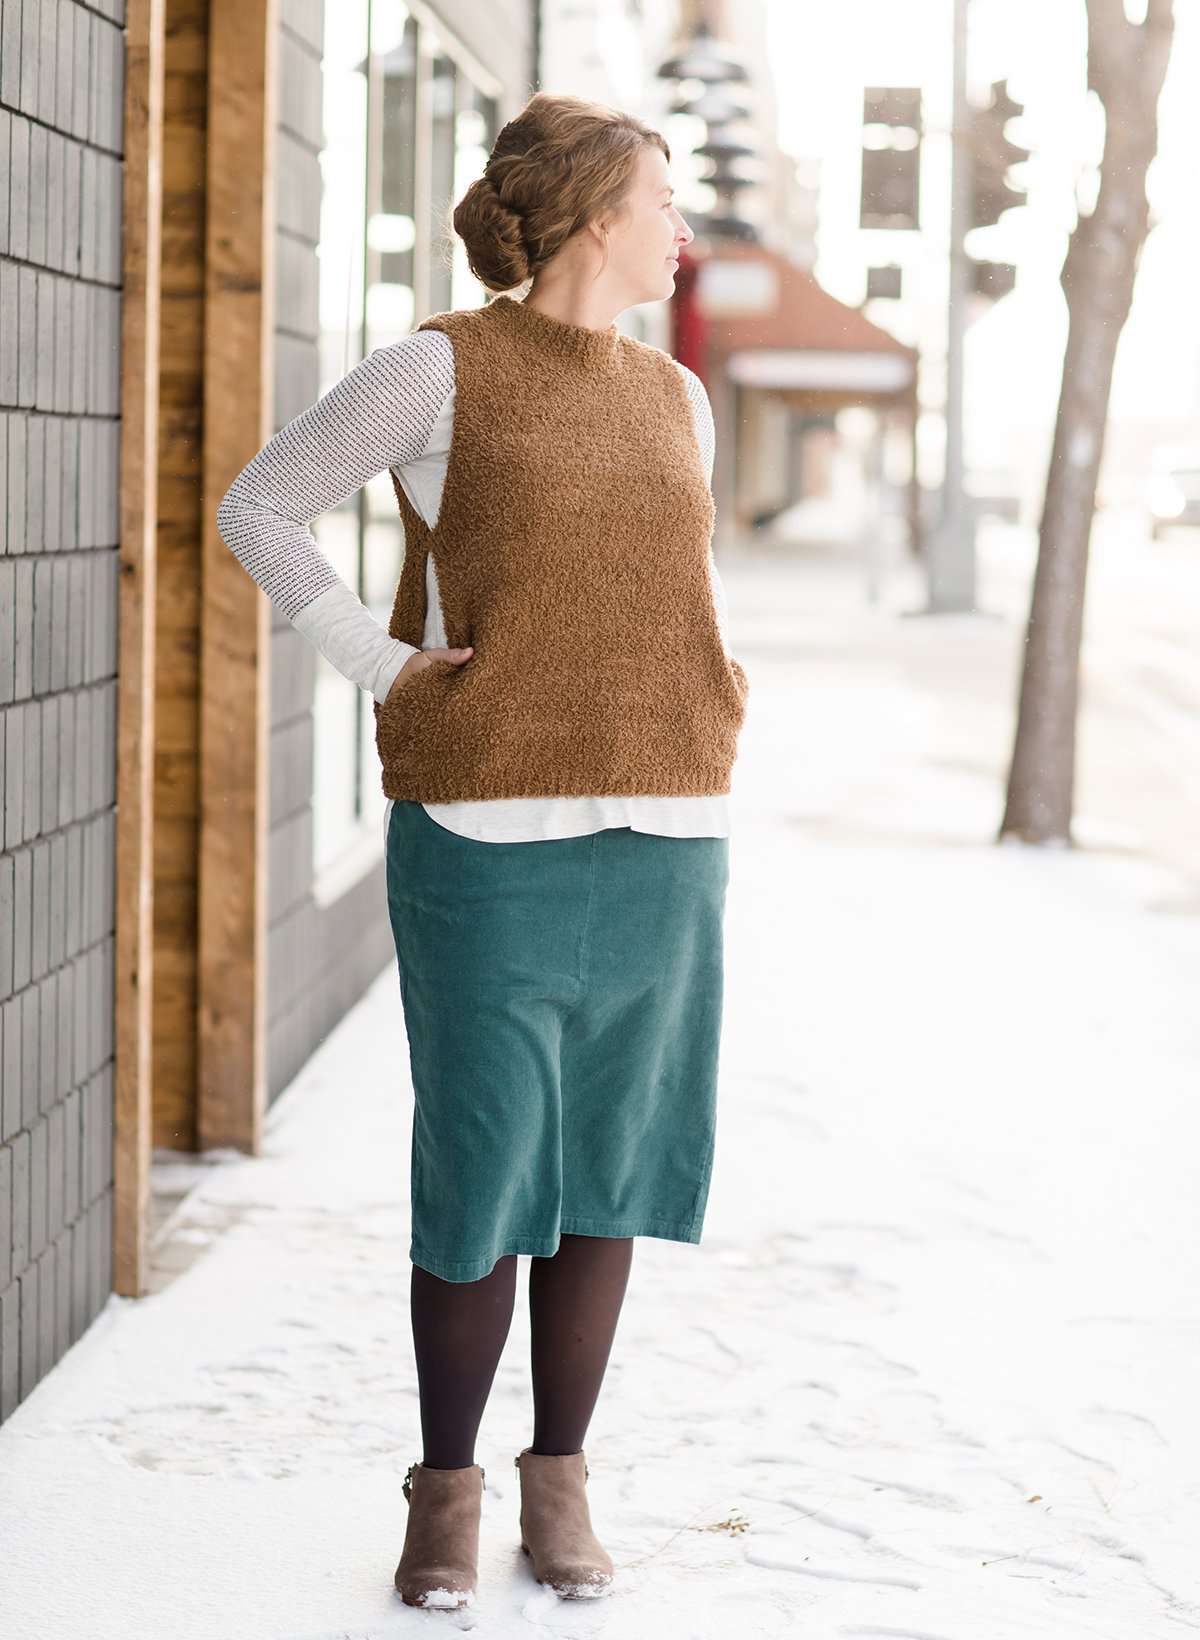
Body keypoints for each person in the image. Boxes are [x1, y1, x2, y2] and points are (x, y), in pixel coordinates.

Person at [216, 89, 749, 1611]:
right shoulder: (437, 371)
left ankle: (558, 1480)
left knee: (613, 1171)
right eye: (666, 204)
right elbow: (264, 507)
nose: (683, 233)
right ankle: (443, 1491)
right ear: (593, 216)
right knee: (484, 1172)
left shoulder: (678, 399)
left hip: (666, 834)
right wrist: (382, 668)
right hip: (487, 831)